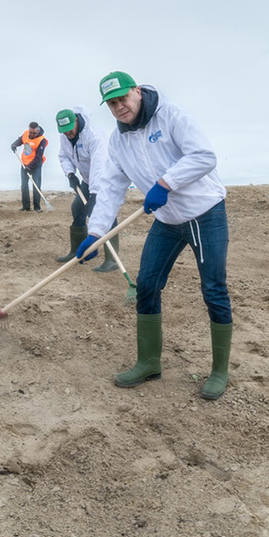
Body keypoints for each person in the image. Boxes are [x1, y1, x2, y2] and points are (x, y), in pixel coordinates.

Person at [78, 71, 233, 400]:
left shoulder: (172, 116)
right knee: (147, 284)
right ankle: (149, 362)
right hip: (167, 219)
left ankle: (219, 370)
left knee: (213, 288)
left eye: (123, 98)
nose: (120, 107)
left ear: (136, 91)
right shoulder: (118, 142)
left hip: (205, 212)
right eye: (112, 103)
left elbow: (204, 157)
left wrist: (166, 183)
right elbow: (110, 188)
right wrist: (95, 232)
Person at [55, 106, 116, 272]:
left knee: (103, 211)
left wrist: (95, 194)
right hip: (87, 179)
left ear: (76, 120)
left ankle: (112, 259)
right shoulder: (64, 136)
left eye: (69, 129)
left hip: (104, 178)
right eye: (64, 131)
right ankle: (77, 251)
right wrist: (70, 174)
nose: (68, 133)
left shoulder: (94, 136)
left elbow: (99, 165)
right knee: (77, 208)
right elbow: (63, 156)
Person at [11, 121, 48, 212]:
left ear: (38, 131)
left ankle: (37, 207)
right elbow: (20, 140)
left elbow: (38, 157)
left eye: (34, 133)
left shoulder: (42, 140)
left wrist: (30, 167)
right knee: (24, 185)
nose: (31, 135)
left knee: (36, 186)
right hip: (24, 163)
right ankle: (26, 207)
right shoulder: (26, 133)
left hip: (36, 166)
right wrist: (14, 144)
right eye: (30, 132)